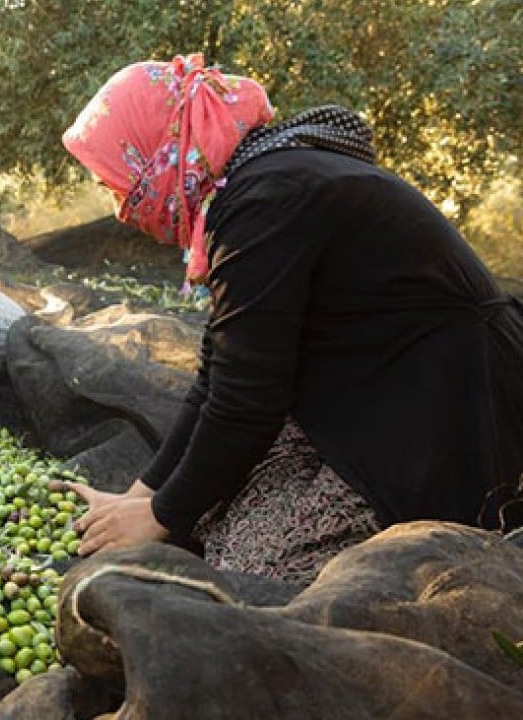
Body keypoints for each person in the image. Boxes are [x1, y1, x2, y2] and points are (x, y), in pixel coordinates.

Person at [53, 53, 523, 585]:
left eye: (116, 177)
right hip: (382, 380)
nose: (118, 203)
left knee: (253, 573)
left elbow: (247, 398)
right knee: (208, 511)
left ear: (158, 149)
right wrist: (141, 497)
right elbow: (220, 372)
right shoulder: (255, 181)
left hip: (446, 406)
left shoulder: (266, 199)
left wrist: (162, 516)